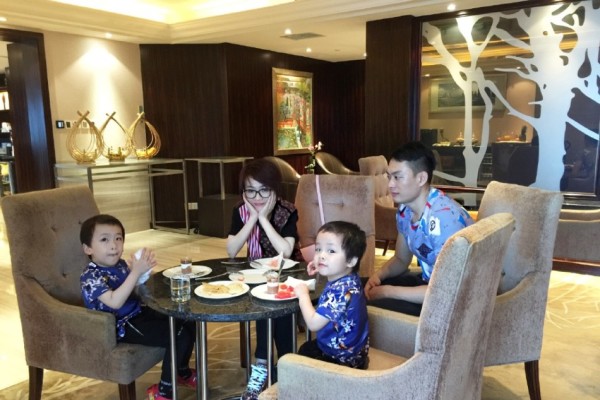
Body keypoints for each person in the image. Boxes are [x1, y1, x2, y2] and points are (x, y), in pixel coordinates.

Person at [79, 214, 197, 400]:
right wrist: (135, 272)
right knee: (178, 334)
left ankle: (182, 372)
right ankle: (163, 391)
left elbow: (133, 289)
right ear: (88, 248)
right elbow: (115, 302)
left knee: (188, 317)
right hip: (121, 325)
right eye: (104, 240)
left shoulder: (120, 264)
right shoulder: (90, 276)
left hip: (139, 312)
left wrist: (144, 273)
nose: (113, 245)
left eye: (118, 238)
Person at [364, 141, 474, 316]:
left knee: (365, 307)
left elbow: (446, 291)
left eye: (398, 177)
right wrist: (379, 276)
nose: (390, 184)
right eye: (389, 177)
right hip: (430, 285)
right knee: (354, 288)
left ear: (421, 178)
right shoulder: (405, 210)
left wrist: (388, 291)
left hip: (453, 303)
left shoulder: (443, 219)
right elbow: (401, 259)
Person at [226, 158, 303, 400]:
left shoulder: (287, 210)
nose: (257, 197)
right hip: (257, 276)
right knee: (265, 305)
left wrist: (263, 220)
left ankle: (271, 368)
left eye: (264, 190)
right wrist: (251, 218)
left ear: (274, 189)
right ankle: (280, 369)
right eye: (250, 190)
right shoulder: (241, 211)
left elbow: (286, 252)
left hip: (290, 275)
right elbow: (231, 250)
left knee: (273, 308)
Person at [295, 221, 369, 369]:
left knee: (300, 358)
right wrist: (320, 266)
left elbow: (313, 324)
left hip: (340, 360)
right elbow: (336, 267)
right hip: (355, 353)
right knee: (305, 349)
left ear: (351, 261)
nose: (321, 256)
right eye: (318, 249)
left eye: (331, 251)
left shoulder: (340, 292)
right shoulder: (350, 278)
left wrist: (303, 295)